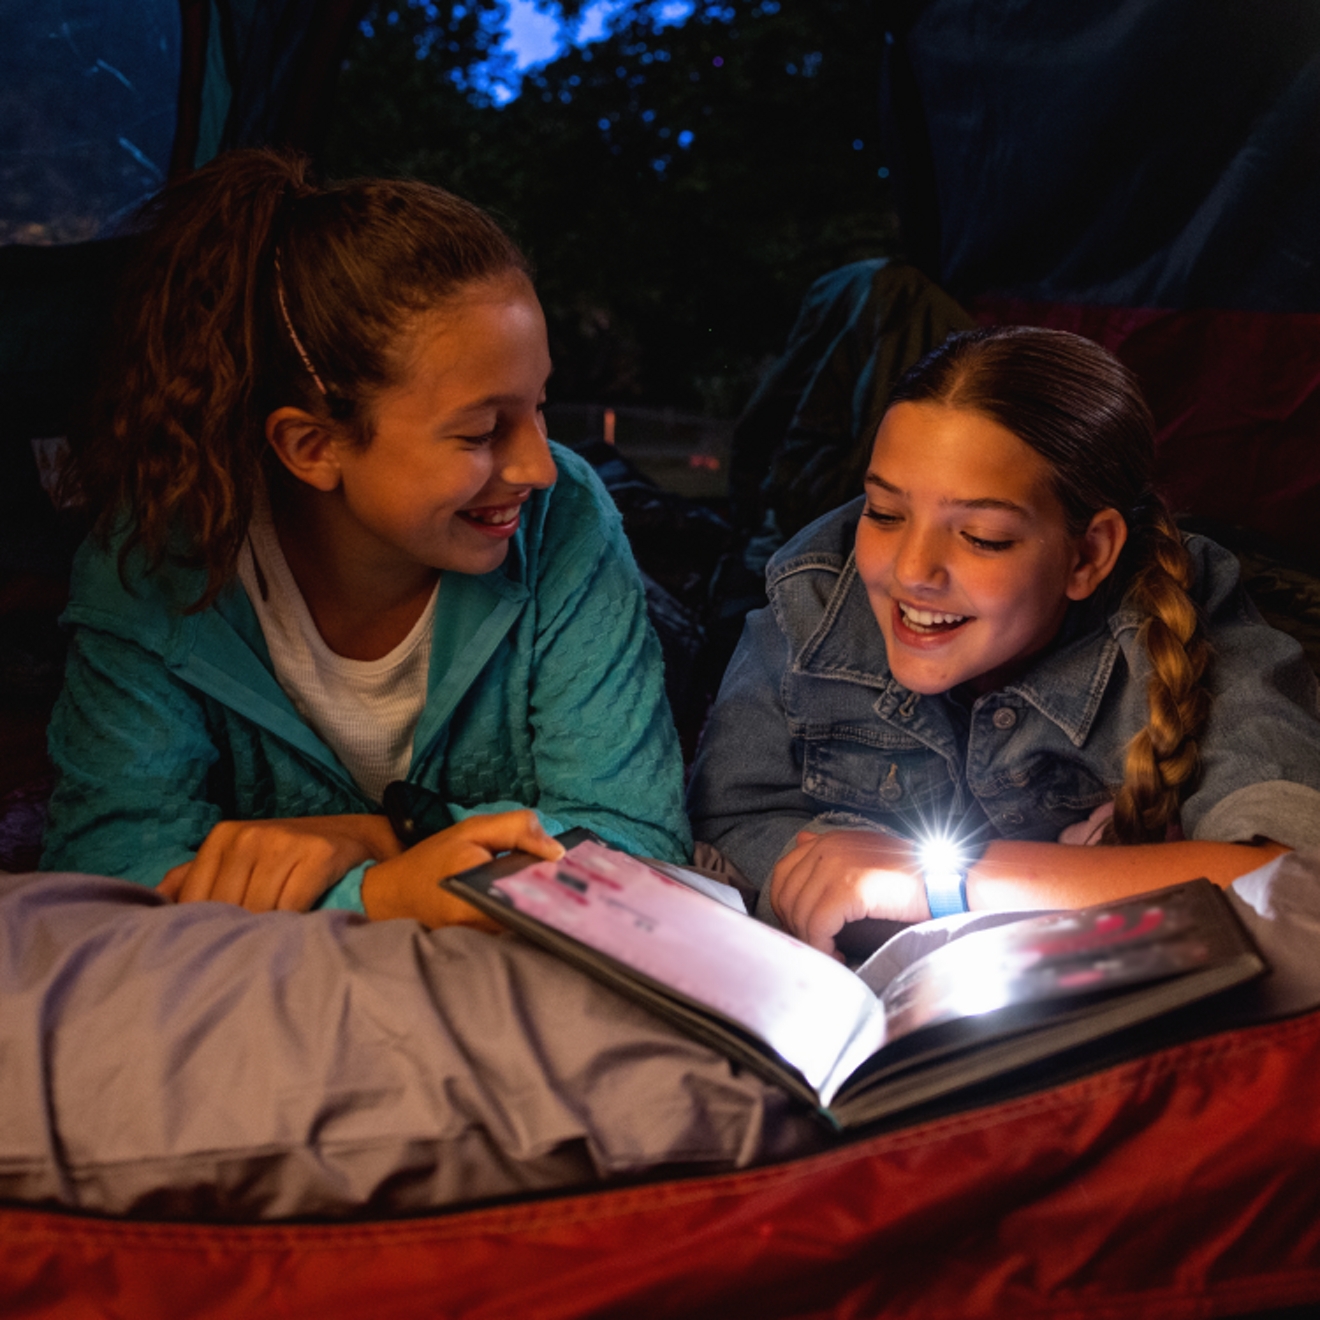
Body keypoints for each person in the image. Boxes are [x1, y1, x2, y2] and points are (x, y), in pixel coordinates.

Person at [40, 148, 690, 926]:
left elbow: (635, 843)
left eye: (540, 406)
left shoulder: (566, 518)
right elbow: (105, 864)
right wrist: (380, 894)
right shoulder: (152, 558)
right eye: (481, 431)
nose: (539, 467)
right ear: (312, 447)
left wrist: (381, 841)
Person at [688, 326, 1320, 955]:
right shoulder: (812, 598)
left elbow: (1297, 885)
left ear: (1088, 555)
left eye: (982, 537)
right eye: (884, 513)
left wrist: (954, 883)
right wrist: (1110, 882)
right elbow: (731, 823)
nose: (912, 571)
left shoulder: (1186, 622)